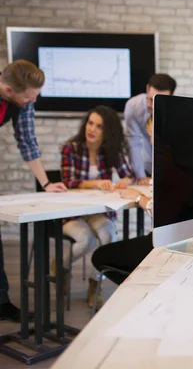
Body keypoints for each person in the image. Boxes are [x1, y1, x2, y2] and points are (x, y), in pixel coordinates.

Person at [0, 60, 67, 322]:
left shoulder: (24, 100)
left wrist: (47, 184)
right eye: (29, 97)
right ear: (8, 90)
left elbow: (27, 141)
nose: (32, 100)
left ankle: (1, 302)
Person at [60, 105, 134, 307]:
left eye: (99, 126)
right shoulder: (71, 147)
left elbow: (129, 175)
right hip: (73, 212)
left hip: (98, 211)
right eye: (90, 123)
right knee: (86, 240)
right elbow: (68, 182)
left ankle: (95, 283)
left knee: (109, 237)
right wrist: (96, 183)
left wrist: (123, 182)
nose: (91, 129)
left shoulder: (110, 150)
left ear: (107, 131)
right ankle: (60, 267)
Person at [124, 73, 176, 185]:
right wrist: (141, 176)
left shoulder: (176, 113)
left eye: (159, 102)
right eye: (151, 100)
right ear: (147, 89)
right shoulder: (133, 106)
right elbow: (134, 142)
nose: (152, 105)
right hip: (143, 166)